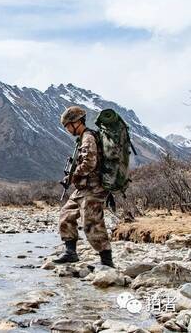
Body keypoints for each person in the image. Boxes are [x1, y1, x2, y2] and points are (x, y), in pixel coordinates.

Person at [54, 106, 114, 267]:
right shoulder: (81, 139)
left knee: (92, 222)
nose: (67, 129)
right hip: (83, 188)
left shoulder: (88, 138)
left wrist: (73, 175)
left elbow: (89, 163)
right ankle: (70, 253)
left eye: (68, 126)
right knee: (66, 215)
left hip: (94, 187)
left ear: (76, 122)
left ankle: (107, 261)